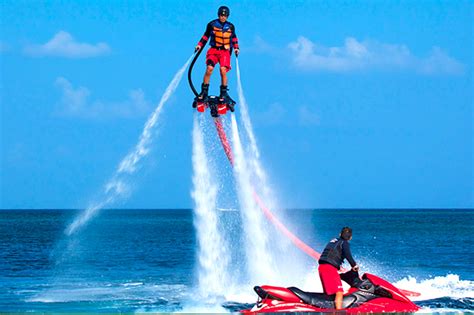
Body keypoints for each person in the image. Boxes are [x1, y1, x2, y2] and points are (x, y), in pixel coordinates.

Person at [194, 5, 239, 103]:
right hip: (213, 51)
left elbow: (234, 38)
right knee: (209, 69)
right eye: (221, 15)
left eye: (225, 16)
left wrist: (236, 48)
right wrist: (199, 45)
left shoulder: (231, 26)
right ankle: (204, 92)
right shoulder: (212, 24)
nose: (223, 17)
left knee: (223, 70)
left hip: (225, 52)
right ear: (218, 15)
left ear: (227, 16)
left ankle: (223, 93)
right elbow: (205, 36)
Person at [318, 227, 359, 310]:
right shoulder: (344, 243)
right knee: (339, 292)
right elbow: (347, 255)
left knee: (329, 294)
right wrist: (354, 265)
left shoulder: (333, 240)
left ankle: (327, 309)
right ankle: (338, 312)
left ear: (340, 234)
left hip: (322, 267)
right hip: (329, 268)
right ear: (350, 237)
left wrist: (337, 265)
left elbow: (330, 253)